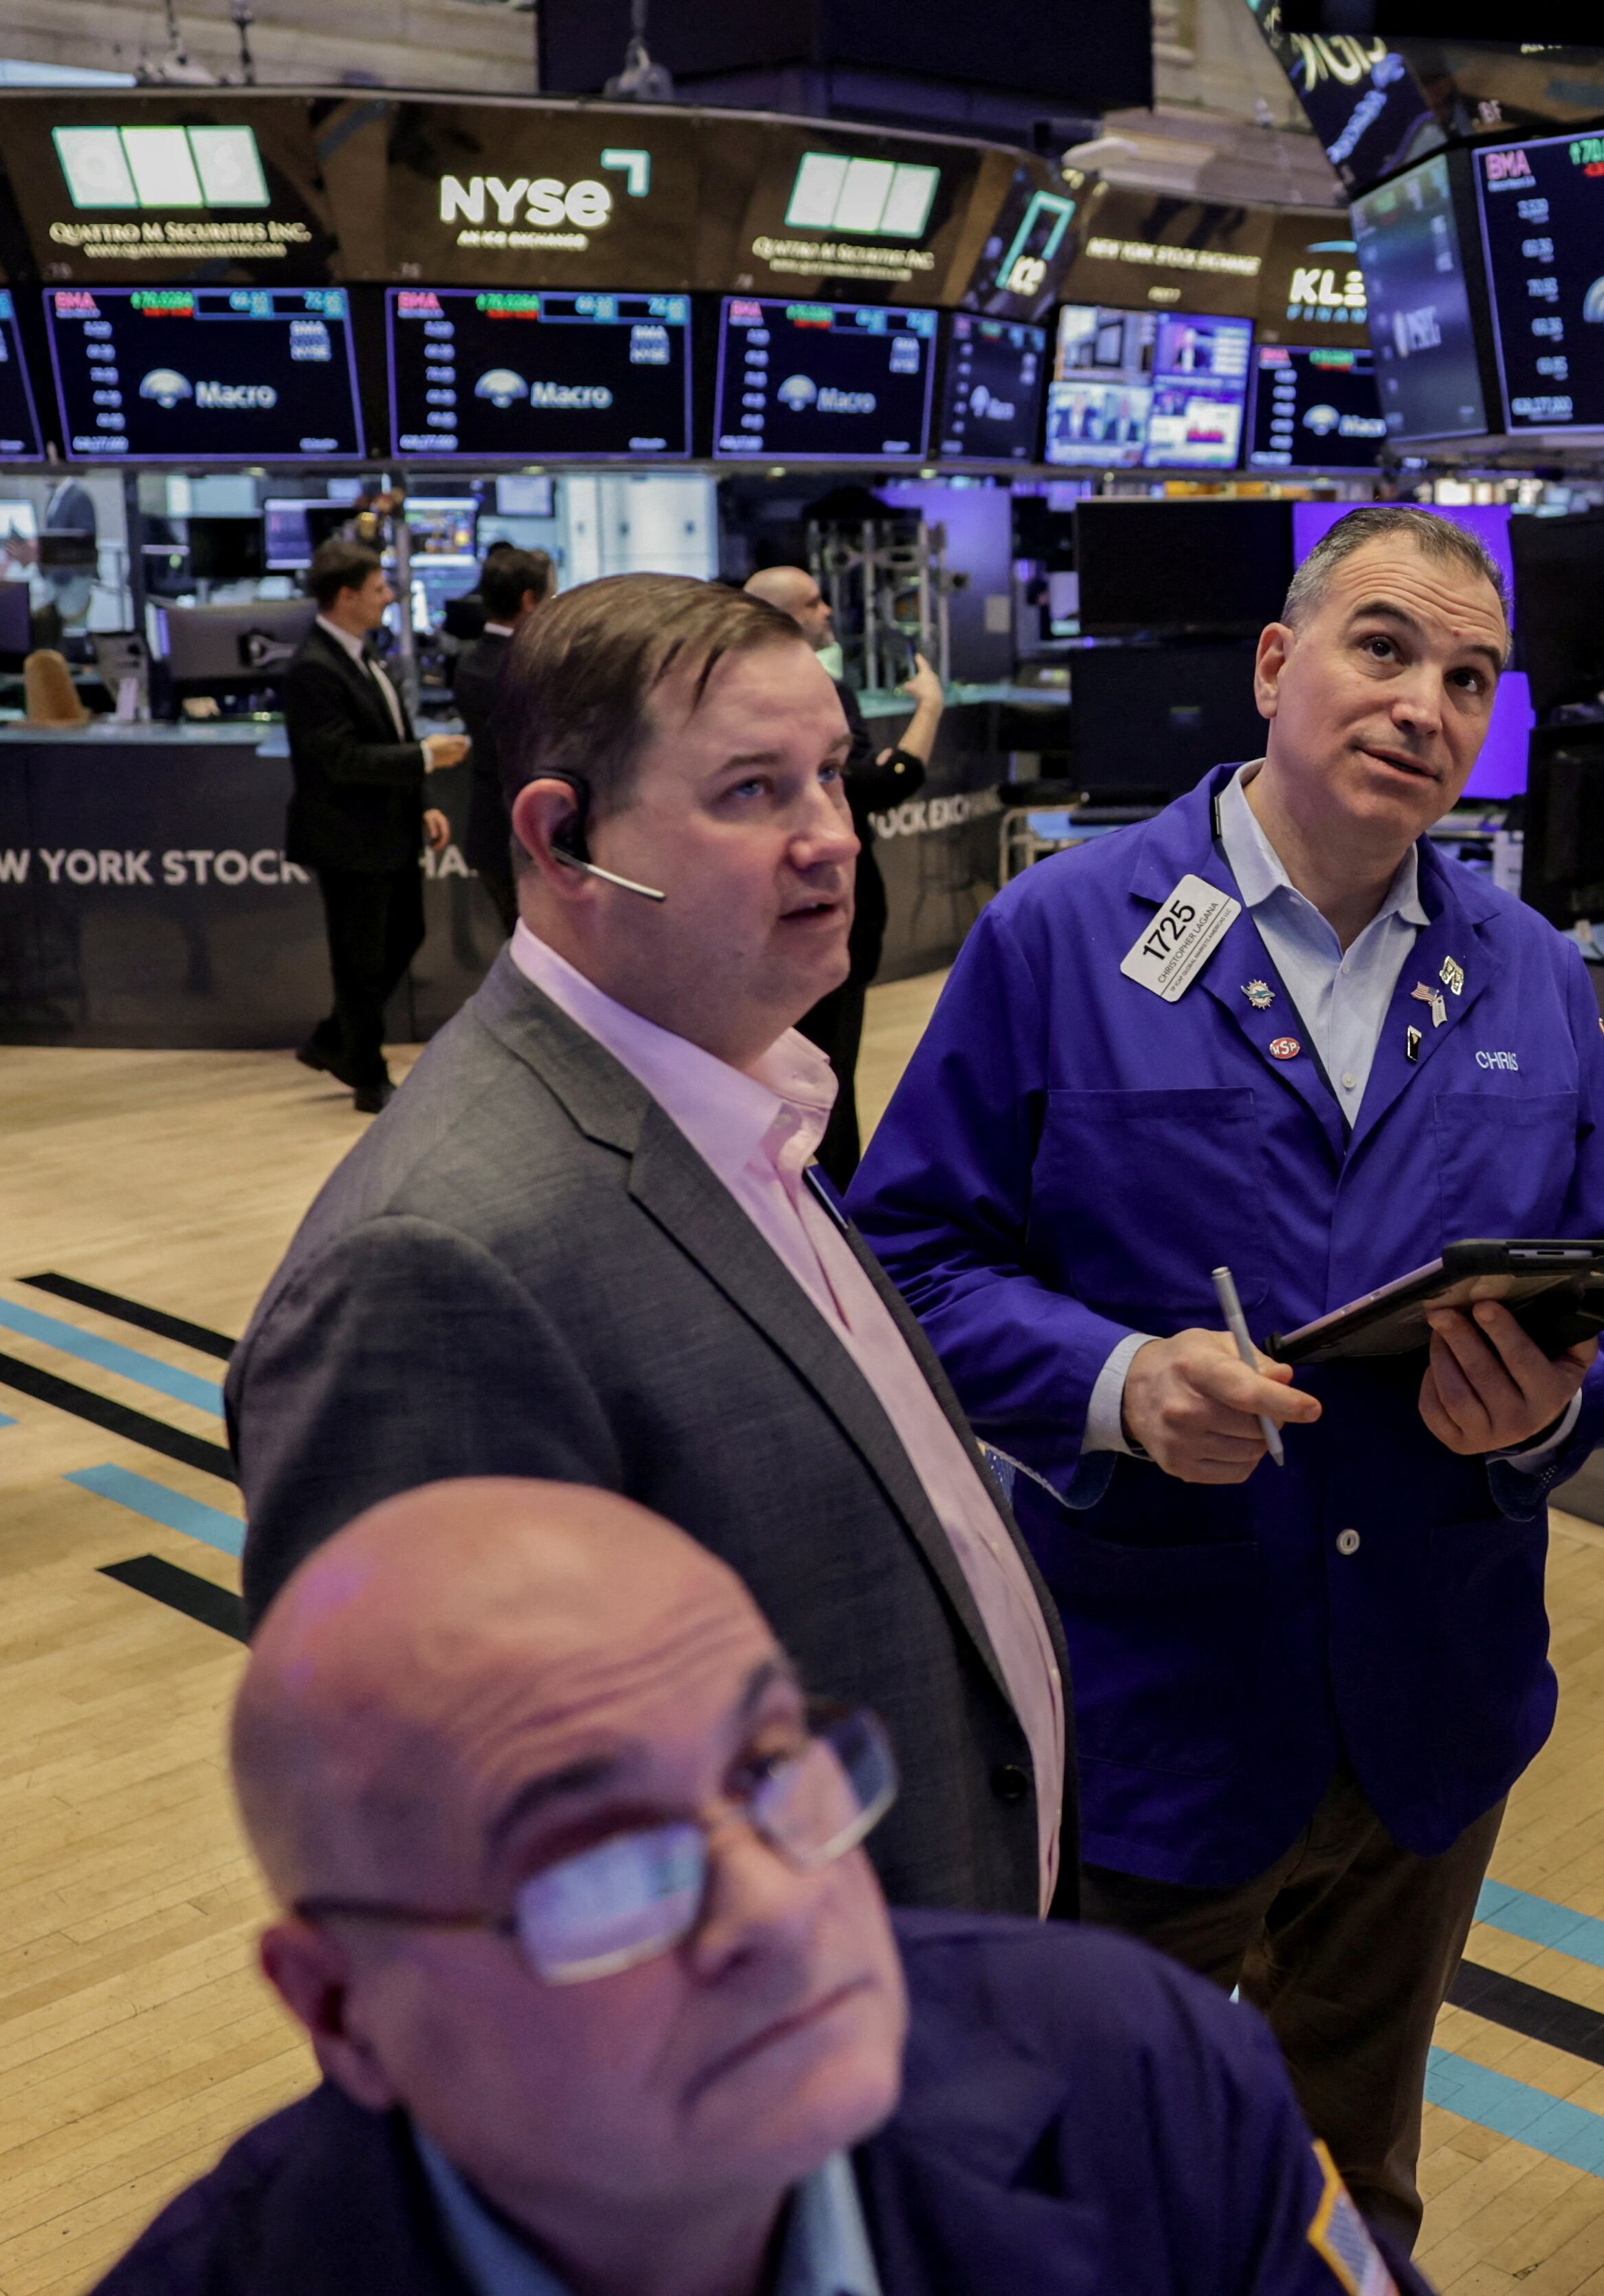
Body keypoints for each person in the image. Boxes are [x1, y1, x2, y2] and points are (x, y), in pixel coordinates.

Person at [851, 504, 1604, 2246]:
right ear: (1278, 666)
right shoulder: (1064, 937)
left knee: (1352, 2179)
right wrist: (1121, 1381)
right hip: (1157, 1703)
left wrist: (1551, 1414)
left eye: (1469, 677)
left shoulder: (1524, 969)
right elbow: (906, 1261)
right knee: (1094, 2196)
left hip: (1431, 1718)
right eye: (1383, 650)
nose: (1423, 706)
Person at [227, 572, 1065, 1924]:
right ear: (563, 839)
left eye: (831, 776)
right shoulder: (432, 1265)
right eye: (751, 791)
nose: (833, 839)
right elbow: (454, 1892)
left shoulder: (748, 1105)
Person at [98, 1478, 1423, 2296]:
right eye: (609, 1868)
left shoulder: (1151, 2075)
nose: (782, 1913)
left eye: (776, 1767)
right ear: (340, 2010)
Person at [740, 564, 946, 1183]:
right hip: (813, 913)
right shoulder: (803, 693)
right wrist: (929, 707)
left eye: (829, 770)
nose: (829, 611)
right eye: (813, 602)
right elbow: (879, 784)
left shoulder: (794, 688)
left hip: (811, 915)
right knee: (819, 1075)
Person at [284, 537, 466, 1113]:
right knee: (359, 959)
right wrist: (426, 758)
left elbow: (386, 737)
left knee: (404, 934)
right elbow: (341, 760)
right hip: (349, 837)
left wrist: (421, 800)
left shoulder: (364, 654)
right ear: (346, 596)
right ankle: (366, 1073)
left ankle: (334, 1039)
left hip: (389, 828)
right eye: (378, 588)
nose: (390, 596)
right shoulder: (313, 668)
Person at [450, 546, 552, 934]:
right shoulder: (529, 666)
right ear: (530, 600)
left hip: (492, 830)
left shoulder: (470, 661)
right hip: (533, 836)